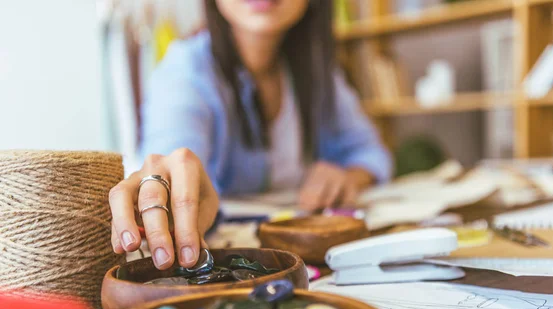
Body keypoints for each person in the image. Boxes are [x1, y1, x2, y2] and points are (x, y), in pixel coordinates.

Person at [109, 0, 392, 270]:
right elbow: (172, 157)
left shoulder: (317, 72)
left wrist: (349, 176)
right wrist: (169, 183)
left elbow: (372, 153)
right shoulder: (184, 71)